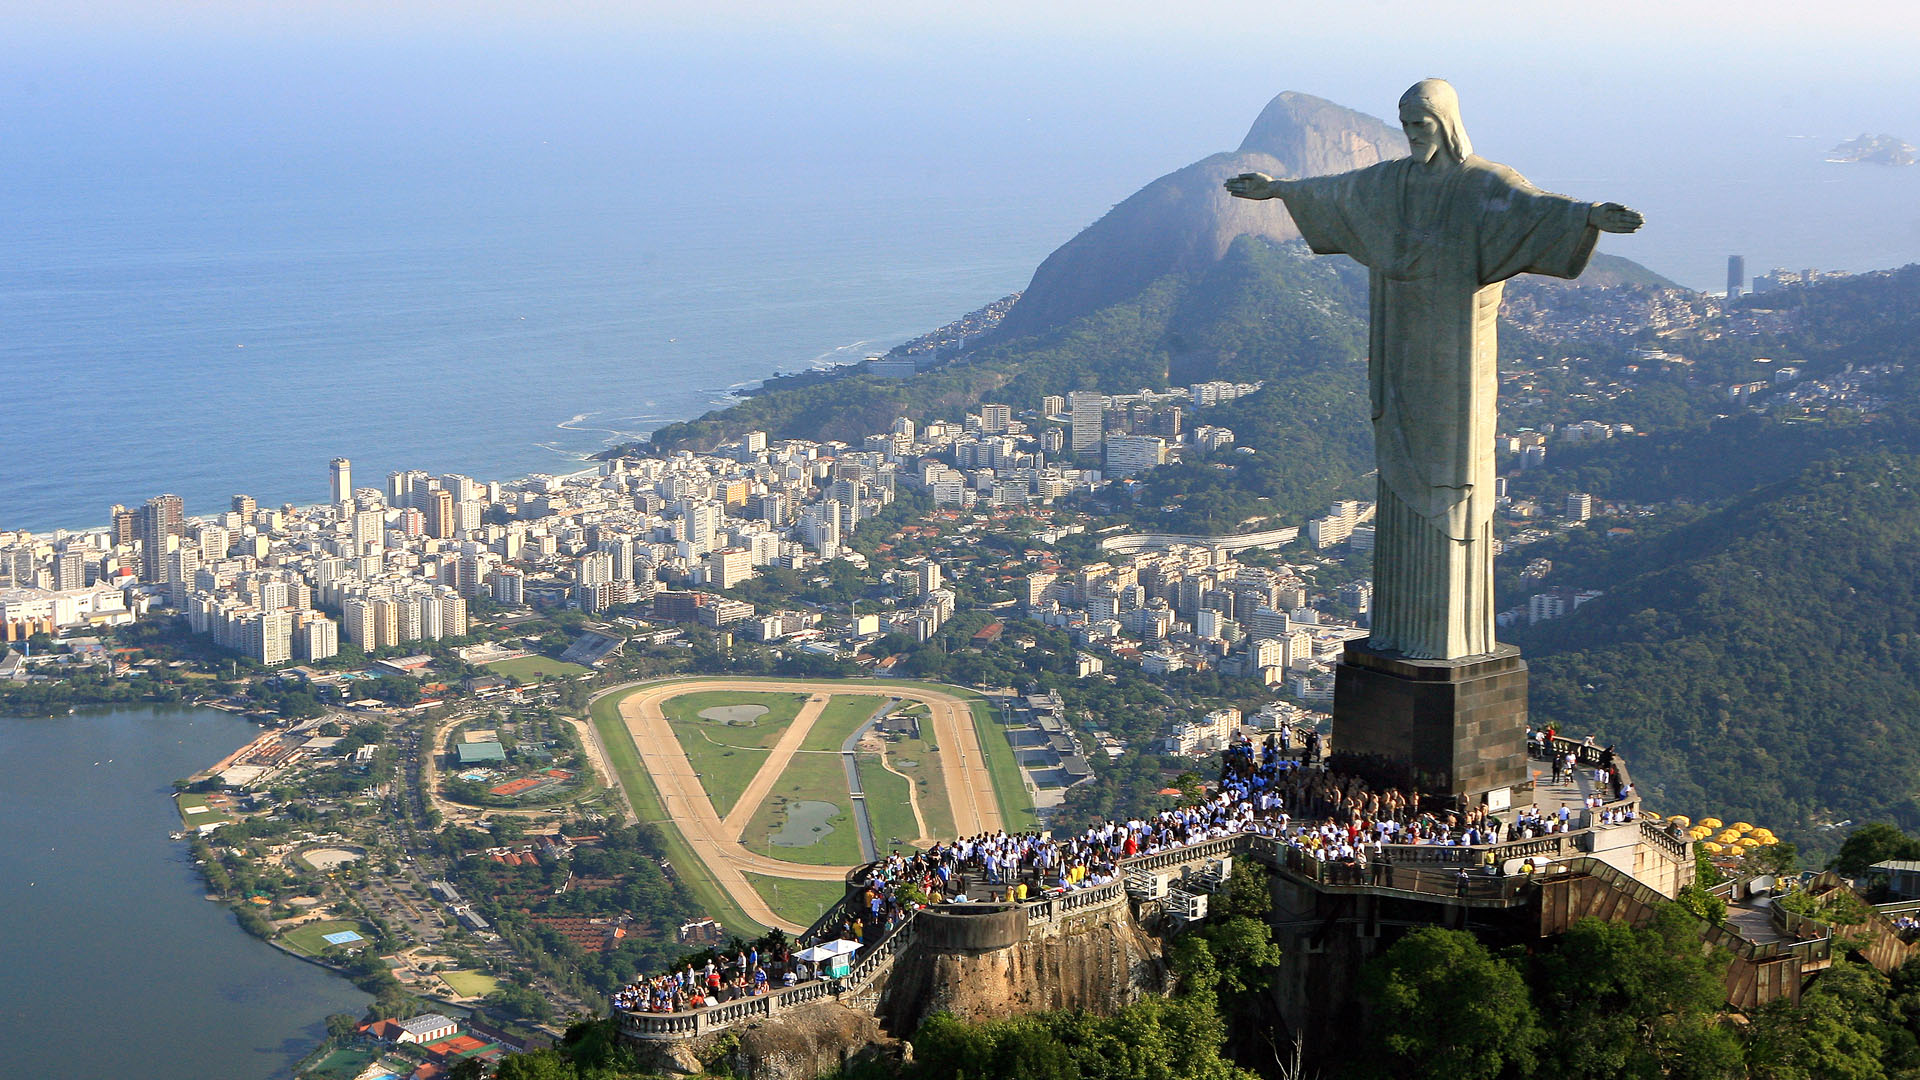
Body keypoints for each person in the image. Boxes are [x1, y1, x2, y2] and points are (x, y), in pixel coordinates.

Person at [1226, 78, 1641, 659]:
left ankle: (1450, 637)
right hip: (1401, 342)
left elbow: (1535, 208)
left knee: (1452, 464)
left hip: (1455, 350)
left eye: (1421, 123)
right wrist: (1278, 191)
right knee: (1398, 460)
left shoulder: (1483, 185)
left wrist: (1590, 216)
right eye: (1405, 123)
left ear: (1446, 122)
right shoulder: (1391, 182)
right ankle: (1402, 632)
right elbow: (1337, 192)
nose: (1412, 134)